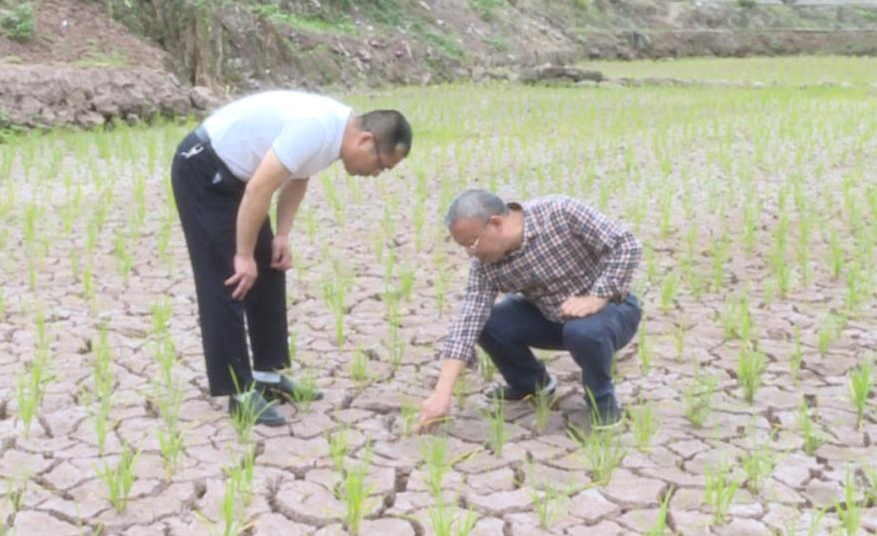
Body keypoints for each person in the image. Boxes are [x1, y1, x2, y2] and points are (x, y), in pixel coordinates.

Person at [171, 90, 411, 426]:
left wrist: (281, 236)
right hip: (204, 169)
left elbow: (297, 178)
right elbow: (258, 190)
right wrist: (242, 255)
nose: (376, 174)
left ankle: (267, 376)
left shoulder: (336, 134)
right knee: (229, 279)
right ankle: (239, 393)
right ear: (365, 140)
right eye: (381, 165)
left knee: (269, 264)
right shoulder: (317, 127)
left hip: (241, 177)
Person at [418, 189, 642, 431]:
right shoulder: (485, 265)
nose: (471, 253)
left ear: (496, 223)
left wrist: (596, 297)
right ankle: (532, 385)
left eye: (472, 243)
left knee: (583, 332)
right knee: (487, 322)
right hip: (550, 317)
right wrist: (442, 394)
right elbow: (468, 321)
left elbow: (626, 245)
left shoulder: (560, 212)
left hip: (611, 311)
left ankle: (603, 404)